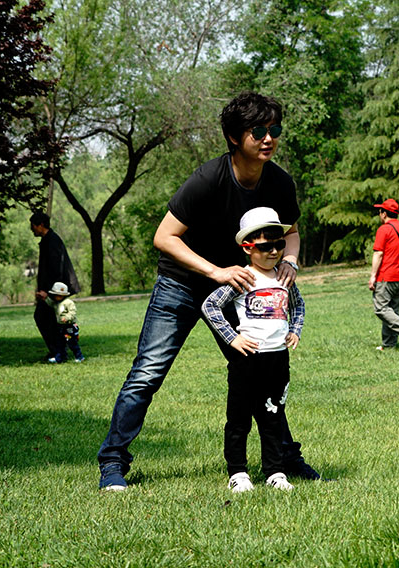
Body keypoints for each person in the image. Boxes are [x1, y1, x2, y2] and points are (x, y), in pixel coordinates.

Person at [97, 91, 319, 491]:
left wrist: (291, 261)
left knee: (257, 369)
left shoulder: (280, 183)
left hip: (236, 288)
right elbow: (164, 237)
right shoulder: (208, 179)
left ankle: (285, 459)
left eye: (275, 129)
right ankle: (113, 463)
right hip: (181, 284)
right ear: (235, 137)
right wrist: (214, 271)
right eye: (258, 131)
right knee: (148, 372)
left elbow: (292, 232)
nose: (269, 138)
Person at [202, 207, 304, 493]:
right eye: (265, 246)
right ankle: (238, 472)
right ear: (248, 248)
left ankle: (275, 472)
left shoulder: (284, 278)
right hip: (247, 361)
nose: (273, 252)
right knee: (239, 419)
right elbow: (210, 306)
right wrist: (232, 338)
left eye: (279, 245)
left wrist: (295, 330)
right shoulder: (243, 278)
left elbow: (298, 305)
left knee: (273, 417)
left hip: (277, 360)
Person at [369, 199, 399, 350]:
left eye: (380, 211)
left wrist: (372, 276)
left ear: (384, 214)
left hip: (386, 276)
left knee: (381, 309)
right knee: (392, 310)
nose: (379, 214)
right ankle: (389, 344)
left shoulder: (383, 230)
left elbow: (378, 254)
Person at [30, 211, 80, 361]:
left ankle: (58, 352)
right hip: (53, 288)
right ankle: (58, 351)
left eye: (33, 226)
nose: (32, 229)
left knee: (43, 317)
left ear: (41, 225)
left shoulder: (52, 241)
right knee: (49, 319)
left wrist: (50, 292)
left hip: (57, 289)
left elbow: (56, 268)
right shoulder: (48, 240)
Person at [45, 281, 85, 363]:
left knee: (72, 342)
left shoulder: (68, 303)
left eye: (58, 295)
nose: (56, 297)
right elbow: (50, 303)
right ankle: (59, 358)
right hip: (60, 326)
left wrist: (67, 318)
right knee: (60, 343)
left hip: (69, 327)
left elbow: (72, 313)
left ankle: (79, 357)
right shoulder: (56, 303)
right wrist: (45, 298)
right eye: (55, 295)